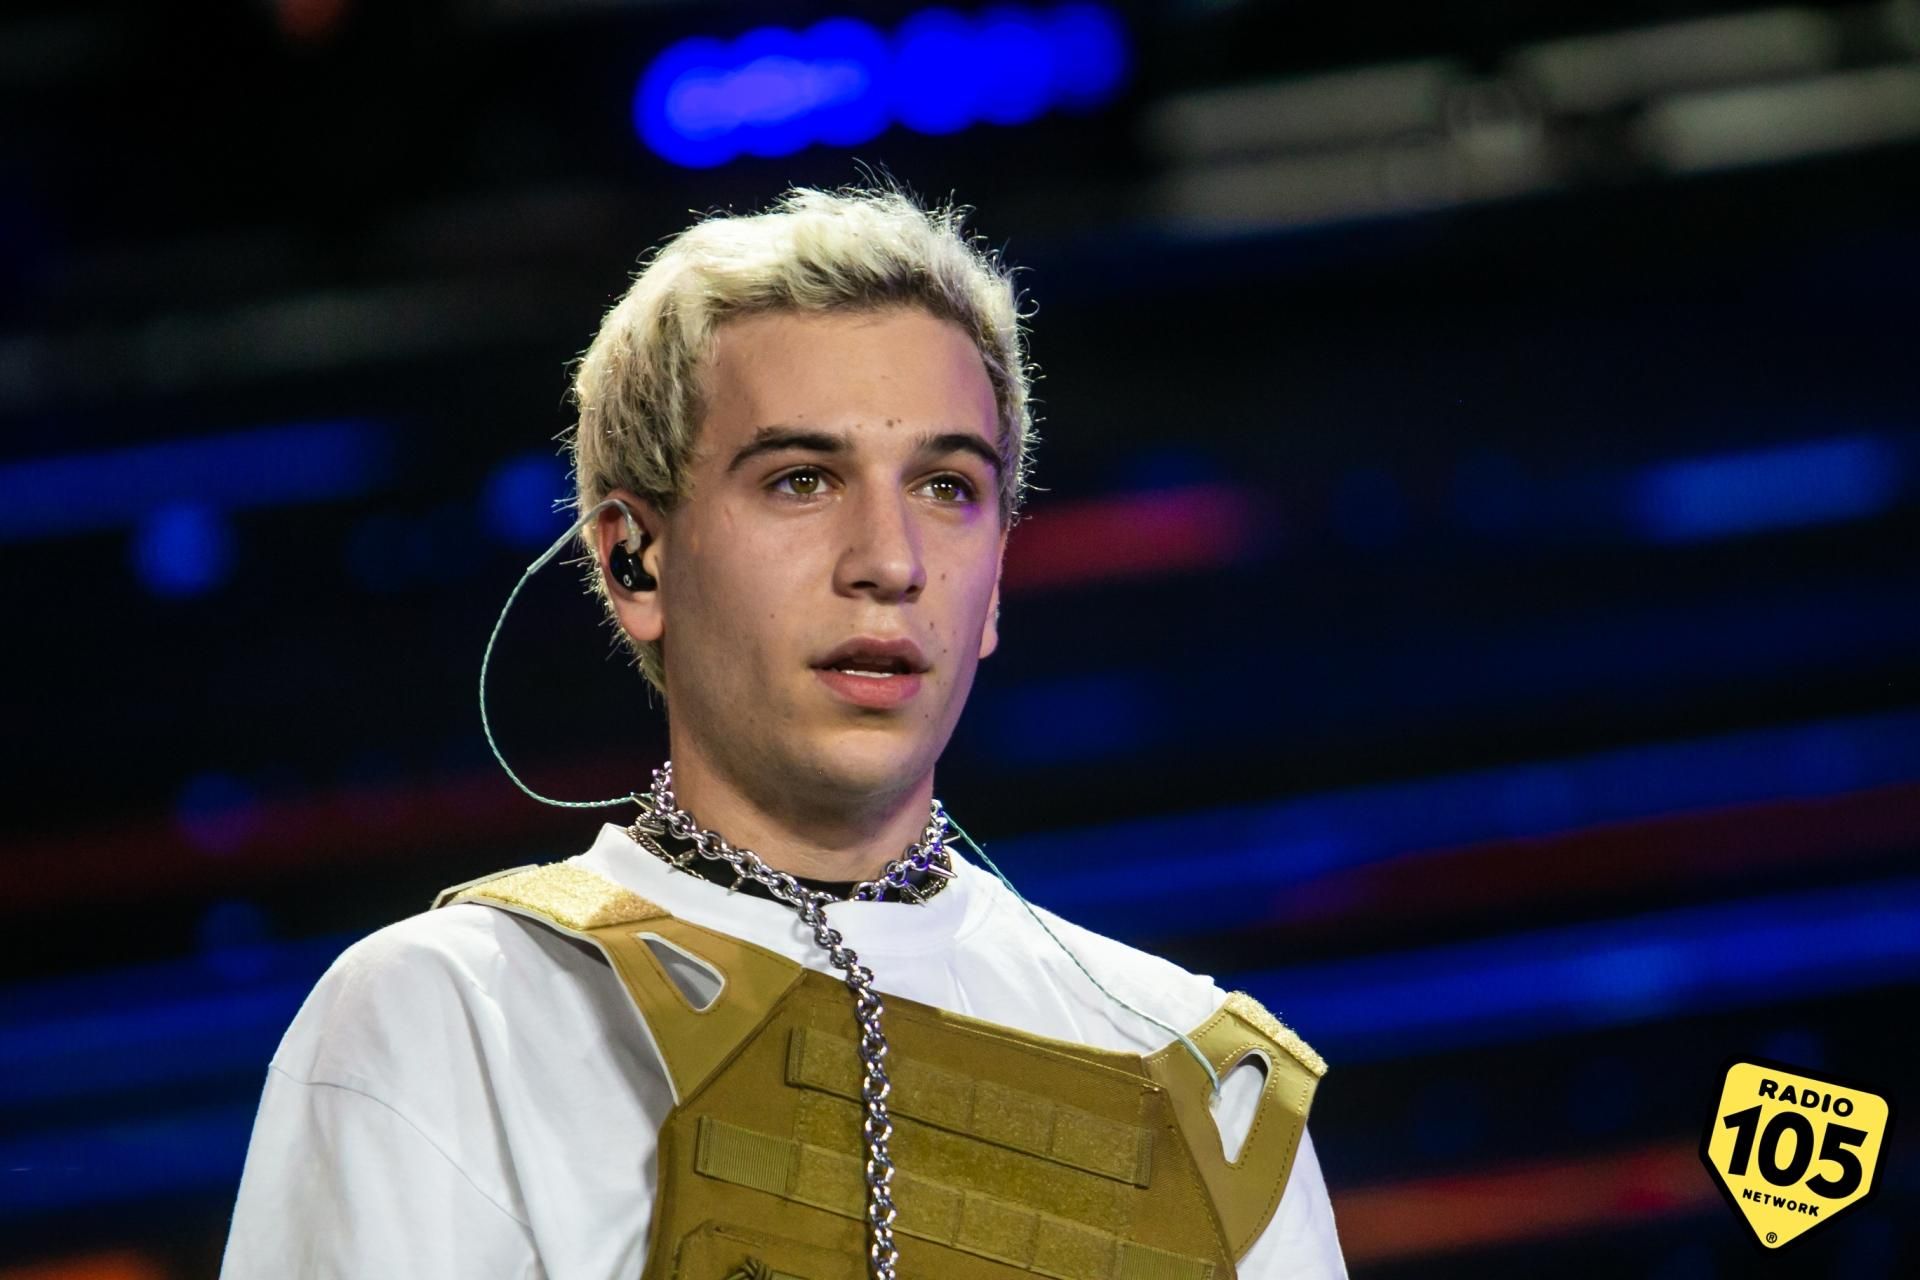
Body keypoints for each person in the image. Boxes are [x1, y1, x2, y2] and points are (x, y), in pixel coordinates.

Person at [220, 182, 1347, 1279]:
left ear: (998, 578)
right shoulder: (451, 1020)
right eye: (803, 479)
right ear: (633, 560)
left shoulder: (1202, 1087)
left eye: (947, 487)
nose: (891, 561)